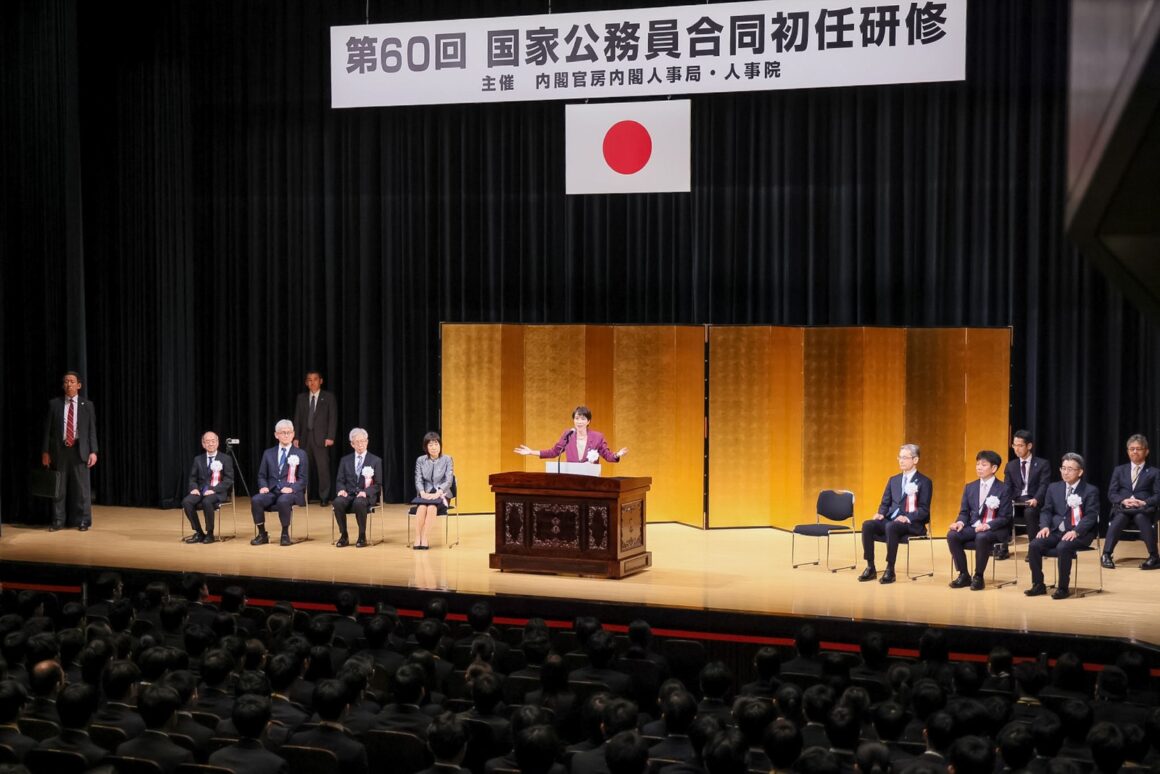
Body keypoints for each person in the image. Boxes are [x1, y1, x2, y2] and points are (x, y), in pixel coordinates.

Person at [1025, 452, 1100, 600]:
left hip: (1080, 533)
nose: (1065, 472)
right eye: (1063, 468)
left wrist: (1076, 531)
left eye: (1070, 469)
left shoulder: (1090, 490)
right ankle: (1038, 584)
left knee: (1063, 547)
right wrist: (1044, 526)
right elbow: (1046, 510)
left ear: (1080, 472)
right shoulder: (1053, 487)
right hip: (1056, 531)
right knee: (1034, 545)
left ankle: (1063, 588)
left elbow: (1091, 516)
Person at [859, 444, 932, 584]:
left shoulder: (924, 482)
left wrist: (907, 517)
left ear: (915, 460)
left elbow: (924, 510)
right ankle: (870, 566)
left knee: (891, 526)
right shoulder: (893, 480)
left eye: (905, 457)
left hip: (911, 524)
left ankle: (890, 569)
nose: (901, 460)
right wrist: (881, 513)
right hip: (891, 520)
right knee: (868, 525)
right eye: (899, 457)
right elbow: (885, 503)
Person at [946, 450, 1013, 591]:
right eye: (977, 464)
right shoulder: (970, 487)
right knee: (952, 535)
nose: (979, 468)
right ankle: (964, 574)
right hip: (974, 526)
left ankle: (978, 576)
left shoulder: (1004, 489)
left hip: (994, 529)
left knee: (982, 537)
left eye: (983, 465)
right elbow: (964, 512)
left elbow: (1005, 517)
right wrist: (959, 522)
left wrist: (987, 525)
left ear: (994, 468)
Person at [40, 371, 99, 531]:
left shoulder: (87, 405)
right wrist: (45, 451)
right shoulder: (55, 404)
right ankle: (58, 520)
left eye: (72, 381)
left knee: (82, 489)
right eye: (66, 381)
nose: (69, 384)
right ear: (63, 385)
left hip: (80, 450)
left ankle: (83, 520)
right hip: (60, 451)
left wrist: (93, 451)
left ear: (79, 385)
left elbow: (91, 430)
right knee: (59, 488)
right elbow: (48, 430)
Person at [1102, 434, 1160, 570]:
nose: (1135, 451)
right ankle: (1106, 555)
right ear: (1128, 451)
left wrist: (1144, 502)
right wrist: (1123, 500)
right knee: (1120, 517)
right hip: (1123, 508)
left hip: (1144, 510)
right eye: (1132, 449)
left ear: (1146, 451)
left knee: (1140, 517)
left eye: (1138, 449)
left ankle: (1154, 557)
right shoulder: (1119, 470)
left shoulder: (1154, 472)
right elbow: (1112, 493)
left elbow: (1158, 495)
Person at [250, 419, 308, 546]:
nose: (286, 435)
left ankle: (285, 534)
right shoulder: (268, 453)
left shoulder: (301, 454)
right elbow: (261, 475)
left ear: (293, 434)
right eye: (283, 433)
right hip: (272, 490)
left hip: (292, 492)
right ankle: (262, 534)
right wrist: (263, 486)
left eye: (289, 432)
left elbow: (303, 479)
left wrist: (292, 488)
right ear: (276, 435)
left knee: (283, 500)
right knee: (256, 500)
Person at [998, 430, 1050, 560]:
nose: (1016, 449)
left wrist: (1036, 498)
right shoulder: (1011, 466)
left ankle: (1034, 549)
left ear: (1029, 446)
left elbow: (1044, 485)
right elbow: (1007, 487)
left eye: (1020, 445)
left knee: (1030, 512)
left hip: (1033, 500)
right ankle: (1003, 547)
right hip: (1016, 500)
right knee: (1002, 508)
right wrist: (1006, 500)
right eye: (1014, 445)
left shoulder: (1042, 464)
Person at [514, 406, 628, 465]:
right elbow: (554, 452)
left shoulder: (597, 437)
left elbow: (607, 456)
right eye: (577, 418)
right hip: (572, 479)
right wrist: (531, 452)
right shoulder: (568, 434)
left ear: (588, 421)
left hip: (590, 480)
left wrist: (617, 454)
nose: (579, 422)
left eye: (583, 419)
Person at [332, 428, 383, 548]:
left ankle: (362, 535)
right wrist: (341, 490)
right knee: (337, 502)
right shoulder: (345, 460)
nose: (360, 444)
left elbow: (378, 484)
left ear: (367, 442)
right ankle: (344, 535)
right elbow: (340, 480)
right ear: (352, 444)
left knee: (359, 502)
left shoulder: (375, 460)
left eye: (363, 441)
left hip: (365, 496)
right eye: (357, 442)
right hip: (349, 494)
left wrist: (366, 492)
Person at [181, 430, 235, 544]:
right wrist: (194, 488)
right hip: (201, 491)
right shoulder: (198, 459)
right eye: (207, 441)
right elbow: (192, 478)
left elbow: (228, 480)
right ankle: (199, 532)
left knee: (207, 501)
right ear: (203, 444)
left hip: (217, 492)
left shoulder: (225, 458)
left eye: (213, 441)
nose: (210, 444)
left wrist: (213, 490)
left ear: (217, 442)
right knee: (187, 501)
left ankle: (210, 533)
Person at [293, 370, 337, 505]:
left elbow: (333, 418)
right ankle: (304, 496)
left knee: (323, 469)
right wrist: (296, 437)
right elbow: (297, 418)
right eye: (309, 380)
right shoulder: (301, 398)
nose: (312, 382)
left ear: (321, 381)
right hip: (305, 438)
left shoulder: (328, 397)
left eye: (315, 379)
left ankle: (324, 497)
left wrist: (330, 436)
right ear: (306, 383)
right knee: (304, 469)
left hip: (321, 439)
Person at [411, 431, 454, 550]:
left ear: (440, 445)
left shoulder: (447, 459)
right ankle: (417, 537)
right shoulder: (421, 460)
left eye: (436, 444)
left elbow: (449, 480)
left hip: (442, 493)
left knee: (431, 507)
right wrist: (422, 493)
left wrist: (438, 493)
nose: (434, 447)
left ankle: (424, 537)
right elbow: (418, 479)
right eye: (430, 445)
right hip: (426, 493)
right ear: (426, 447)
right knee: (421, 507)